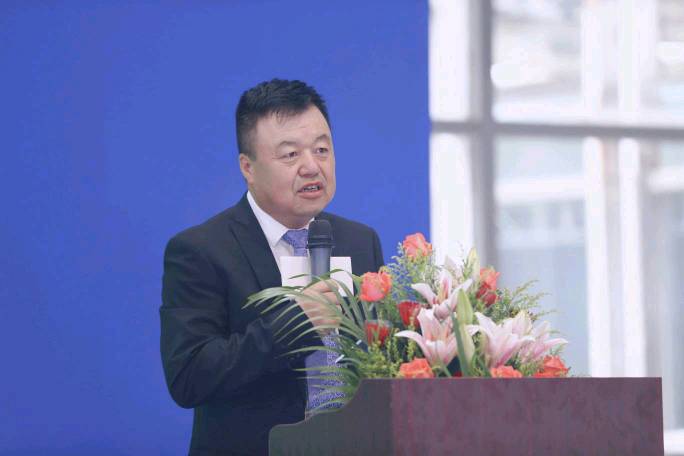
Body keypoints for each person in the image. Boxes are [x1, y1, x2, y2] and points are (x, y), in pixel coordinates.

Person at [160, 79, 384, 455]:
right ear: (248, 167)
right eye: (290, 155)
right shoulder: (201, 250)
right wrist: (293, 325)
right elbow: (189, 377)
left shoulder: (360, 241)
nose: (312, 166)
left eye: (322, 149)